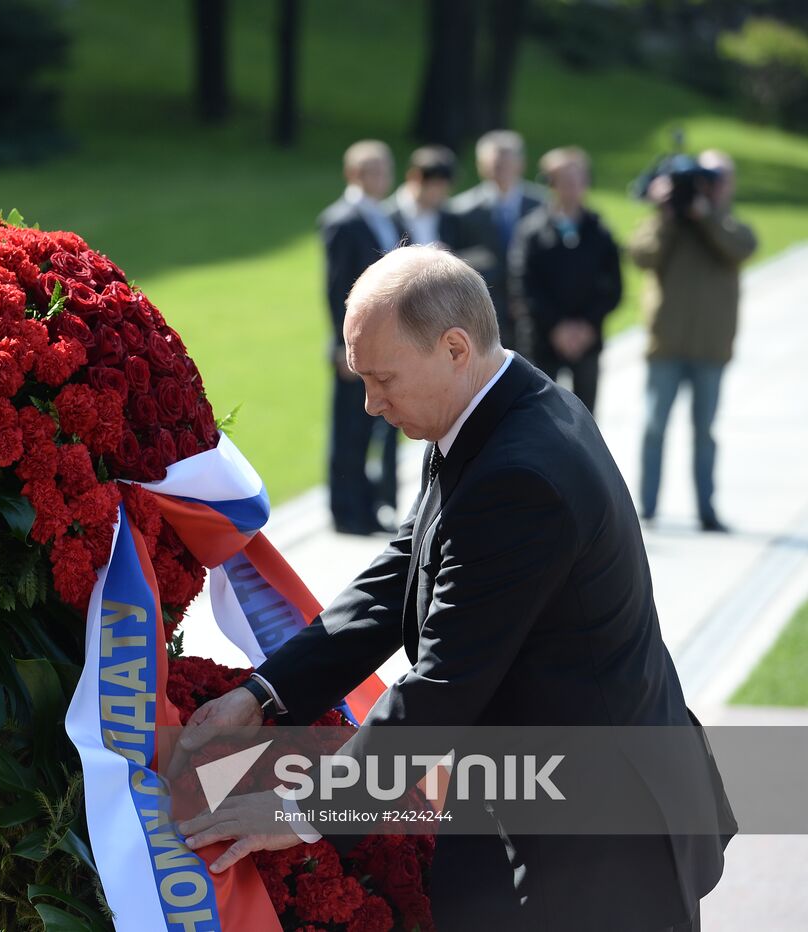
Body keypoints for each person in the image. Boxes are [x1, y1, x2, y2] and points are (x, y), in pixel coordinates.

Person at [177, 245, 733, 930]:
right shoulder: (488, 408)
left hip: (595, 839)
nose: (372, 404)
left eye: (384, 379)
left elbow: (447, 679)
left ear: (454, 348)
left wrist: (306, 811)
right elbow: (404, 568)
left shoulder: (519, 475)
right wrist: (262, 695)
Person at [630, 150, 756, 532]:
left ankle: (706, 510)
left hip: (710, 348)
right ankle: (646, 509)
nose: (709, 186)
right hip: (666, 344)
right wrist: (666, 215)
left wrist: (706, 216)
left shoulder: (729, 224)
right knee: (654, 427)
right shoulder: (665, 222)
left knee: (704, 432)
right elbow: (641, 255)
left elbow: (741, 248)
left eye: (717, 179)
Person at [319, 140, 401, 534]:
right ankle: (346, 512)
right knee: (349, 429)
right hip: (354, 346)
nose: (383, 176)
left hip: (384, 343)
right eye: (373, 170)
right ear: (353, 174)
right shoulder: (342, 219)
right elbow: (337, 289)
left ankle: (368, 508)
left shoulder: (385, 215)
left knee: (372, 428)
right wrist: (342, 344)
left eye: (385, 168)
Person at [508, 146, 623, 413]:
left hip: (587, 339)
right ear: (551, 183)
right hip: (543, 338)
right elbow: (523, 285)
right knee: (540, 412)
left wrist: (586, 326)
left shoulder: (600, 231)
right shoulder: (531, 232)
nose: (572, 187)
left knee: (586, 416)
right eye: (564, 180)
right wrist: (557, 327)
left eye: (578, 179)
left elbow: (612, 287)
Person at [449, 129, 544, 347]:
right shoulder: (462, 211)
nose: (501, 171)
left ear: (521, 164)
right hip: (486, 309)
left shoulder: (541, 206)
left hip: (534, 308)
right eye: (495, 164)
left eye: (507, 164)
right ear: (481, 166)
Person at [384, 145, 460, 249]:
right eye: (435, 185)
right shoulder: (385, 215)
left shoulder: (451, 217)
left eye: (444, 187)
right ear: (414, 176)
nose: (439, 193)